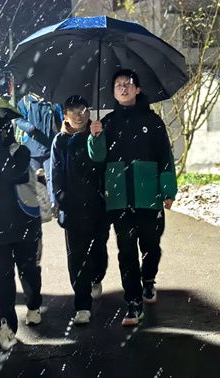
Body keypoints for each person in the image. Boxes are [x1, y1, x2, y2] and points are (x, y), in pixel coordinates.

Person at [88, 69, 177, 327]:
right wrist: (95, 137)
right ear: (113, 92)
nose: (123, 88)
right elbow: (97, 157)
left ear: (137, 89)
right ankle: (133, 302)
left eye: (128, 84)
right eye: (118, 85)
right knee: (126, 251)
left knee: (151, 245)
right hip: (119, 196)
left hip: (148, 194)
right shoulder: (107, 122)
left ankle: (148, 279)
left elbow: (165, 156)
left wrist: (168, 190)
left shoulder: (153, 121)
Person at [0, 112, 43, 350]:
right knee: (1, 278)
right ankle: (6, 326)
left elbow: (14, 173)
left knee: (28, 270)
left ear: (1, 131)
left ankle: (34, 304)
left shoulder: (20, 152)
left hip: (24, 224)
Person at [50, 95, 109, 324]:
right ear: (65, 115)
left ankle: (97, 277)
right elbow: (56, 173)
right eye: (73, 111)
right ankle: (82, 305)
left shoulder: (97, 134)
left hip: (97, 207)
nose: (79, 115)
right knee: (76, 258)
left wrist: (97, 138)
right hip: (73, 209)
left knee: (98, 251)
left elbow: (104, 165)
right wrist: (61, 199)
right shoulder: (60, 141)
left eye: (83, 110)